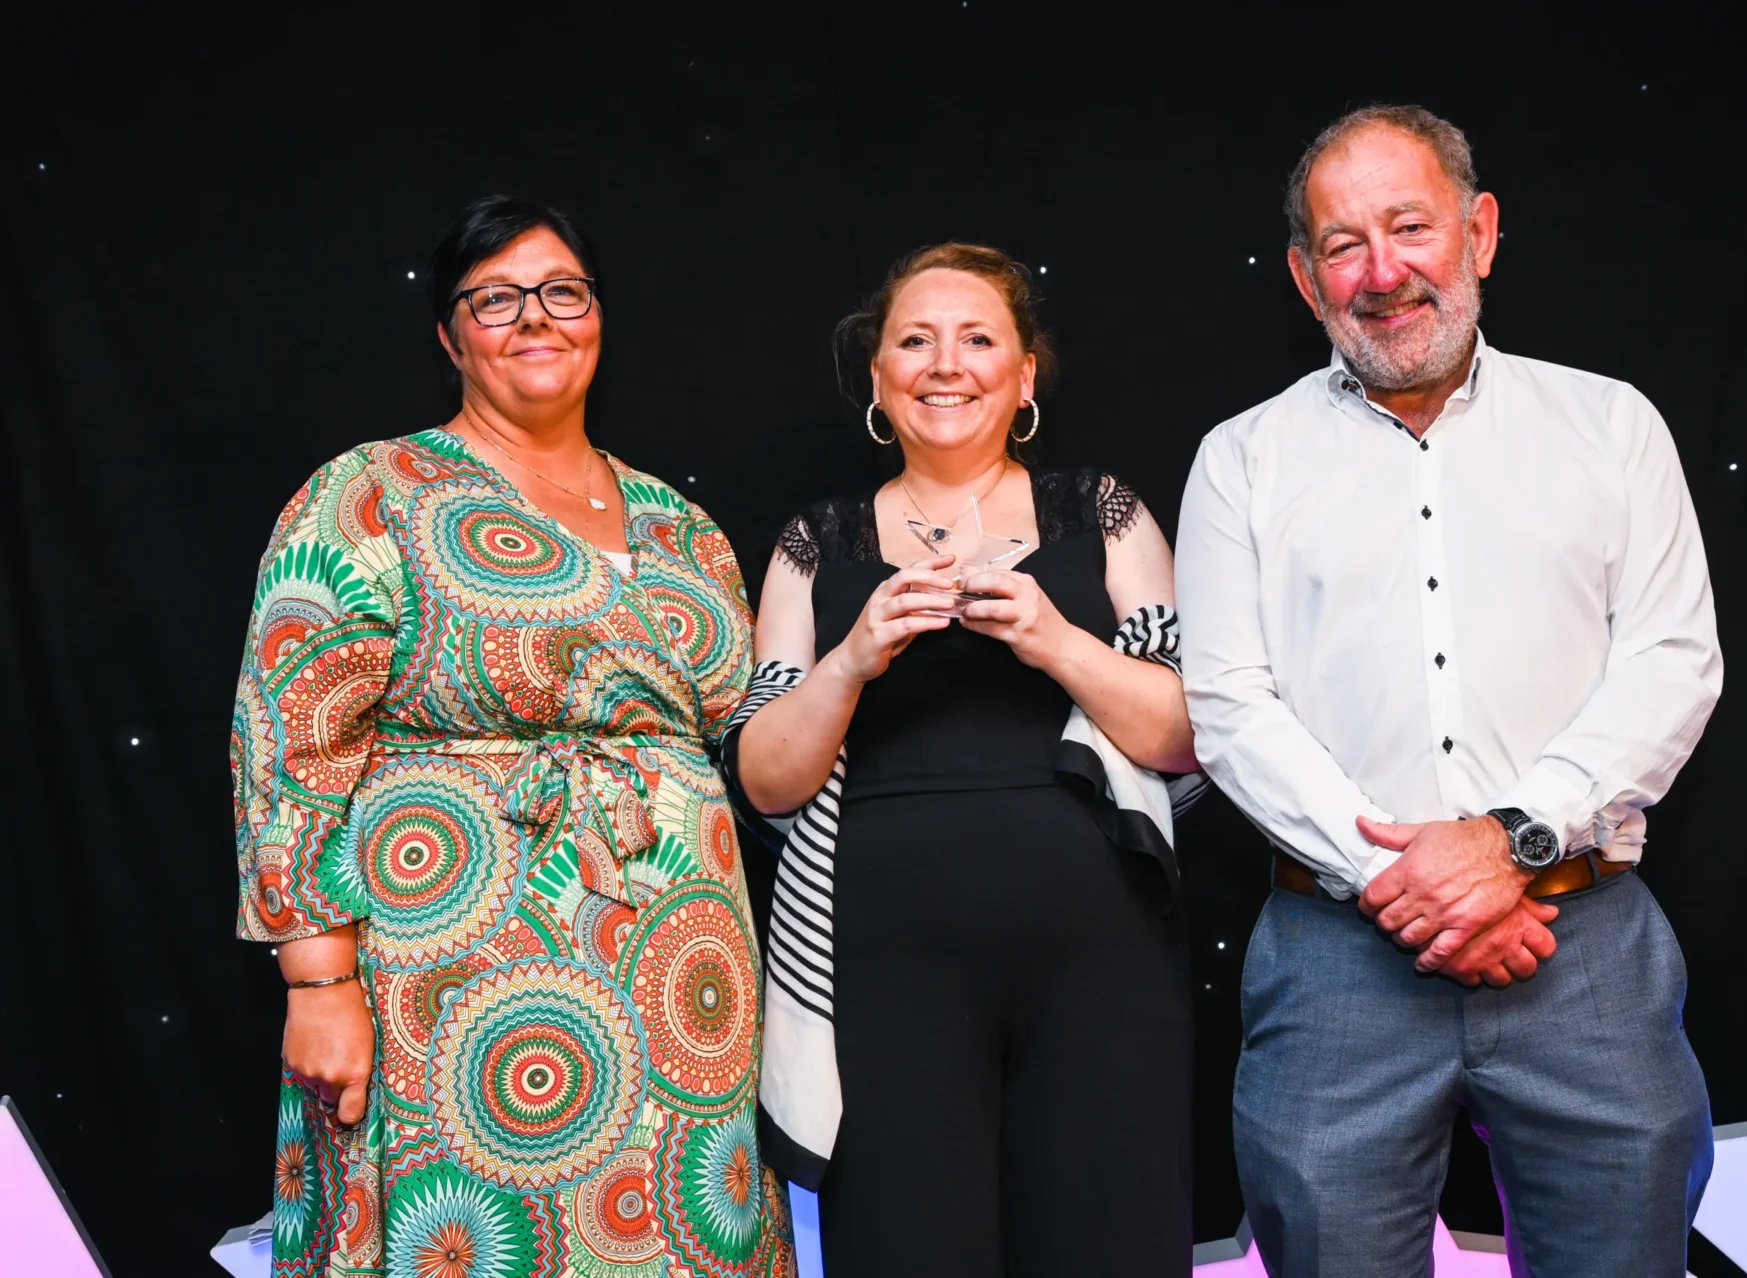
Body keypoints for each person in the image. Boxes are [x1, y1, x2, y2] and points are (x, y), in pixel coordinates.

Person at [1176, 106, 1722, 1277]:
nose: (1384, 273)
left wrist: (1510, 841)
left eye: (1411, 227)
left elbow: (1673, 662)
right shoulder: (1242, 459)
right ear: (1303, 275)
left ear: (1478, 231)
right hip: (1336, 963)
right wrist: (1407, 880)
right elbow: (1227, 706)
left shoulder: (1611, 425)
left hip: (1584, 946)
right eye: (1344, 244)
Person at [232, 195, 794, 1278]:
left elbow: (750, 731)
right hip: (457, 976)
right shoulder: (373, 491)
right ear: (449, 335)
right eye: (495, 299)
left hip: (684, 984)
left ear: (598, 316)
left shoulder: (681, 523)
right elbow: (287, 742)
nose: (535, 317)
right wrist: (316, 984)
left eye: (563, 292)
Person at [728, 244, 1201, 1277]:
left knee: (1108, 1240)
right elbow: (764, 779)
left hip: (1101, 959)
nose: (948, 364)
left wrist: (1052, 639)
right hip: (885, 969)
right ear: (878, 378)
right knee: (907, 1247)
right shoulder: (817, 541)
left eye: (979, 339)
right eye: (916, 341)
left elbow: (1185, 735)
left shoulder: (1103, 513)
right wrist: (851, 661)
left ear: (1024, 376)